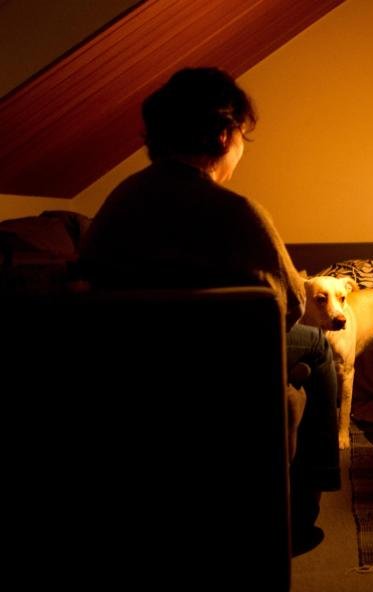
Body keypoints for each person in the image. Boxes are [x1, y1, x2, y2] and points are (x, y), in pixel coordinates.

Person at [80, 67, 339, 555]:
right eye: (243, 135)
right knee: (320, 345)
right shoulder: (237, 212)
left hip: (133, 370)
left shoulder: (119, 202)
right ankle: (301, 513)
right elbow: (291, 305)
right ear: (225, 134)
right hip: (221, 368)